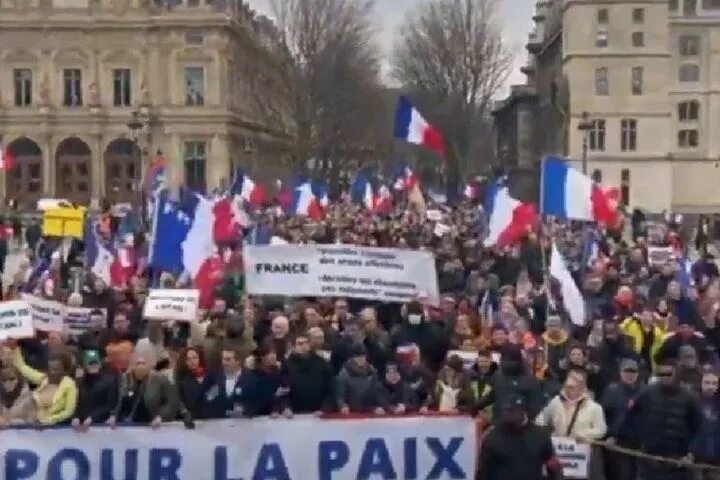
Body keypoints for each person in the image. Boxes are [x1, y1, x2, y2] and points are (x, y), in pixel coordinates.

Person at [616, 358, 703, 480]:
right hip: (650, 460)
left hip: (678, 463)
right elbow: (629, 415)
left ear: (676, 374)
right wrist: (615, 436)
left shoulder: (690, 398)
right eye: (661, 374)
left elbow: (699, 428)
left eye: (668, 374)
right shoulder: (647, 393)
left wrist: (691, 454)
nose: (665, 377)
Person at [477, 395, 564, 480]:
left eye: (512, 411)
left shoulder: (540, 435)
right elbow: (484, 472)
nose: (508, 415)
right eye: (506, 410)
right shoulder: (493, 437)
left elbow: (553, 466)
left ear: (523, 412)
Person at [10, 344, 77, 425]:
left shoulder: (69, 385)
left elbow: (68, 411)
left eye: (56, 369)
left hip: (48, 427)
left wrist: (48, 421)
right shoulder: (44, 379)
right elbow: (22, 367)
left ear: (65, 370)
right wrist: (15, 348)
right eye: (50, 368)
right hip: (27, 417)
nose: (51, 372)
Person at [108, 354, 180, 428]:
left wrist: (160, 416)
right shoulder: (125, 379)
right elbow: (118, 400)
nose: (140, 367)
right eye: (138, 363)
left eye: (143, 363)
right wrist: (113, 415)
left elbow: (171, 402)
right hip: (126, 424)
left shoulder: (160, 379)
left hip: (151, 424)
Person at [602, 358, 642, 480]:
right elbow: (603, 416)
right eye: (627, 371)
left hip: (639, 444)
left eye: (633, 371)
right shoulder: (611, 391)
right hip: (617, 443)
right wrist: (609, 435)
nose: (630, 374)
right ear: (620, 372)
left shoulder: (644, 392)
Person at [282, 333, 334, 415]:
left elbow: (330, 387)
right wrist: (286, 407)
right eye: (300, 344)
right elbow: (284, 390)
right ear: (293, 347)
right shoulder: (287, 365)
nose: (304, 346)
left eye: (306, 342)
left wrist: (325, 408)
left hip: (318, 412)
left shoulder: (321, 363)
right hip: (295, 413)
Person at [72, 350, 119, 431]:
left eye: (95, 363)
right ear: (85, 365)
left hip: (101, 425)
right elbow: (78, 403)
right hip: (83, 426)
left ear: (100, 364)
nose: (93, 366)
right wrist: (75, 417)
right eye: (90, 363)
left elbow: (109, 405)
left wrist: (92, 417)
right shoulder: (80, 382)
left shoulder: (110, 380)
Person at [336, 343, 385, 414]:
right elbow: (340, 394)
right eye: (357, 357)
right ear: (352, 357)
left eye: (363, 356)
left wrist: (380, 406)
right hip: (351, 411)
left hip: (369, 410)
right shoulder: (345, 372)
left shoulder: (372, 370)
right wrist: (342, 406)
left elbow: (377, 391)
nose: (361, 359)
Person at [690, 370, 720, 479]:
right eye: (707, 383)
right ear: (701, 383)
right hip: (696, 455)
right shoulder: (693, 401)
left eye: (714, 383)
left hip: (716, 457)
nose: (710, 386)